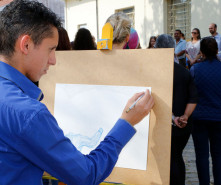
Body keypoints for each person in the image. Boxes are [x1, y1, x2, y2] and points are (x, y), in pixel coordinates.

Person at [0, 1, 155, 185]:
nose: (54, 60)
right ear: (25, 45)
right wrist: (126, 123)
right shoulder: (28, 114)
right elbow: (86, 175)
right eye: (51, 49)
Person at [155, 34, 198, 185]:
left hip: (163, 124)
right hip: (183, 126)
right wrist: (185, 116)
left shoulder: (155, 74)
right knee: (177, 157)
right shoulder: (184, 72)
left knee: (168, 159)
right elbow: (193, 98)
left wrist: (173, 117)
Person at [190, 37, 221, 185]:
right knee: (219, 156)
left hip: (199, 118)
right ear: (217, 50)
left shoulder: (195, 70)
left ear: (201, 52)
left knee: (202, 155)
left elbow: (191, 94)